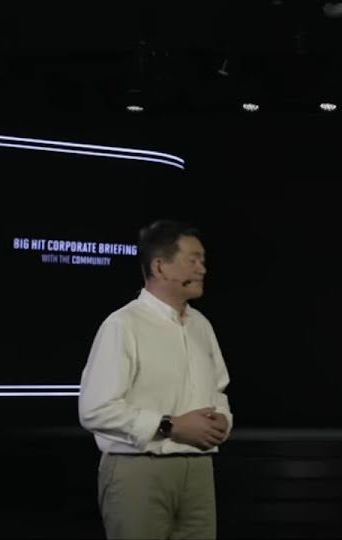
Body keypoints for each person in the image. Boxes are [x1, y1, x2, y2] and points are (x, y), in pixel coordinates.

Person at [78, 219, 234, 539]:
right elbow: (95, 409)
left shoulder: (201, 325)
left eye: (202, 260)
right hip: (139, 469)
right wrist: (170, 425)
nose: (203, 269)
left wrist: (222, 419)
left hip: (198, 470)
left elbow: (218, 389)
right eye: (193, 260)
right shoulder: (123, 325)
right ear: (160, 266)